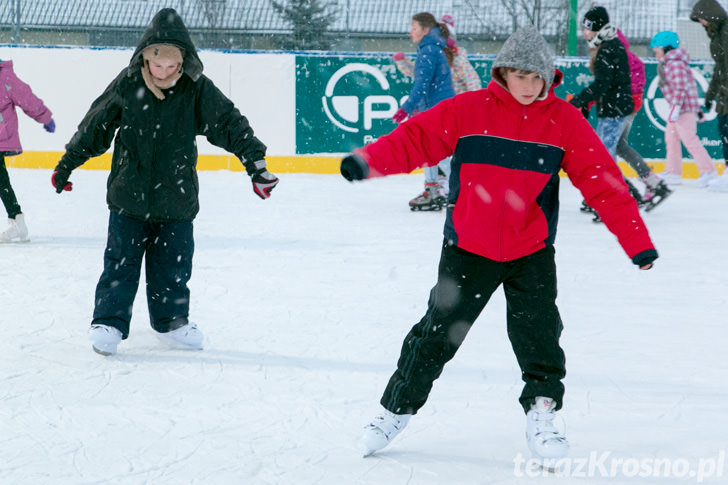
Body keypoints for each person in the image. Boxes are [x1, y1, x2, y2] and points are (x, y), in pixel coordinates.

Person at [340, 25, 657, 460]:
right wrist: (367, 161)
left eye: (536, 78)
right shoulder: (469, 110)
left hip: (531, 250)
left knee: (540, 336)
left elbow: (603, 182)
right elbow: (416, 139)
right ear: (502, 73)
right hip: (469, 246)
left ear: (549, 79)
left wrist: (636, 243)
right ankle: (394, 410)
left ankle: (542, 414)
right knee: (436, 335)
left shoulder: (563, 121)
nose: (528, 86)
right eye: (520, 76)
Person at [51, 8, 279, 356]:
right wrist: (66, 165)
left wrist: (256, 165)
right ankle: (109, 322)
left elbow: (229, 124)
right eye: (157, 65)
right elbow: (95, 126)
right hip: (129, 196)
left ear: (182, 62)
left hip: (177, 196)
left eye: (171, 66)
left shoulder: (195, 89)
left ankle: (172, 322)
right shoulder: (128, 85)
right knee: (120, 264)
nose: (163, 71)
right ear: (145, 58)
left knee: (173, 266)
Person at [569, 6, 641, 220]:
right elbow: (606, 84)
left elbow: (603, 84)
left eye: (587, 28)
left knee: (604, 159)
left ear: (597, 28)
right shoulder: (610, 45)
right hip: (613, 108)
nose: (584, 33)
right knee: (604, 156)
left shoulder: (609, 48)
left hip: (614, 110)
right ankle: (622, 196)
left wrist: (580, 100)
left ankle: (613, 201)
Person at [391, 12, 455, 211]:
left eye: (414, 27)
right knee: (431, 150)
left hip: (438, 111)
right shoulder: (433, 48)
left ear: (425, 30)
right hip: (437, 109)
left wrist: (406, 109)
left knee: (441, 155)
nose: (410, 31)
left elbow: (422, 86)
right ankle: (433, 190)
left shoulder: (428, 50)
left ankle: (469, 190)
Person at [650, 31, 718, 187]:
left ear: (666, 48)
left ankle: (708, 171)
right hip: (678, 108)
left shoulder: (675, 63)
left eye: (657, 49)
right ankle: (673, 172)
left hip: (682, 109)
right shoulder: (670, 62)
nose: (655, 52)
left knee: (690, 140)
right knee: (671, 139)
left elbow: (680, 88)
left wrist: (675, 108)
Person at [0, 59, 55, 243]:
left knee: (1, 180)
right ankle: (17, 220)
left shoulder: (5, 77)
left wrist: (45, 117)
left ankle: (17, 221)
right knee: (1, 180)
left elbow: (26, 98)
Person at [615, 30, 672, 208]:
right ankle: (654, 183)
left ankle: (621, 191)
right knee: (620, 147)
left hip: (619, 108)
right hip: (628, 108)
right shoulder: (632, 59)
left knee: (609, 148)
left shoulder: (617, 59)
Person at [691, 0, 728, 192]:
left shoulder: (726, 33)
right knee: (724, 129)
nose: (702, 23)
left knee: (726, 129)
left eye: (703, 19)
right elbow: (720, 69)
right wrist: (710, 95)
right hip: (723, 92)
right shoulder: (718, 33)